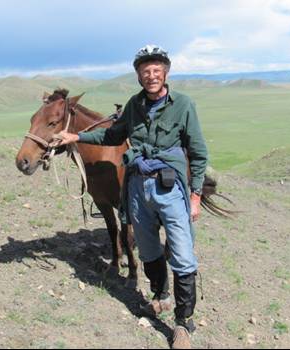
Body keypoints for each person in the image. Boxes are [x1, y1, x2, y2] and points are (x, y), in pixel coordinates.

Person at [56, 44, 208, 349]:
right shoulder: (134, 104)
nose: (151, 76)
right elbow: (112, 135)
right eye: (145, 71)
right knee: (149, 250)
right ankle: (160, 296)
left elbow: (199, 151)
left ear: (165, 73)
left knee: (182, 254)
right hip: (138, 188)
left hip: (170, 188)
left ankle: (182, 324)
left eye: (156, 70)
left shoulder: (184, 104)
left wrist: (195, 196)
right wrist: (78, 136)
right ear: (139, 76)